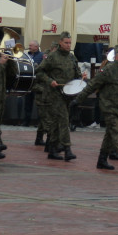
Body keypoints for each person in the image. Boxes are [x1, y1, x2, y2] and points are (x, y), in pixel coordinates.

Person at [73, 44, 118, 171]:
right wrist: (78, 100)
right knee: (117, 134)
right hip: (110, 108)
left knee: (111, 135)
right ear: (116, 57)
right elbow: (92, 85)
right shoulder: (108, 70)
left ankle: (102, 160)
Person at [35, 32, 86, 161]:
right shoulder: (52, 57)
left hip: (68, 94)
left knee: (56, 123)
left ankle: (52, 149)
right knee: (63, 121)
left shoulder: (72, 58)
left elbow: (76, 74)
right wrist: (50, 81)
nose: (69, 45)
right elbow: (39, 72)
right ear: (60, 43)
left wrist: (81, 78)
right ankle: (67, 149)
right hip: (54, 94)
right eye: (66, 43)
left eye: (70, 43)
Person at [20, 40, 43, 127]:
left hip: (37, 83)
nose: (29, 47)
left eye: (31, 45)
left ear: (36, 47)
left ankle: (39, 122)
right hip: (28, 82)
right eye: (29, 45)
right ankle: (26, 121)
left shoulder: (41, 56)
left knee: (39, 104)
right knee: (27, 103)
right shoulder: (26, 55)